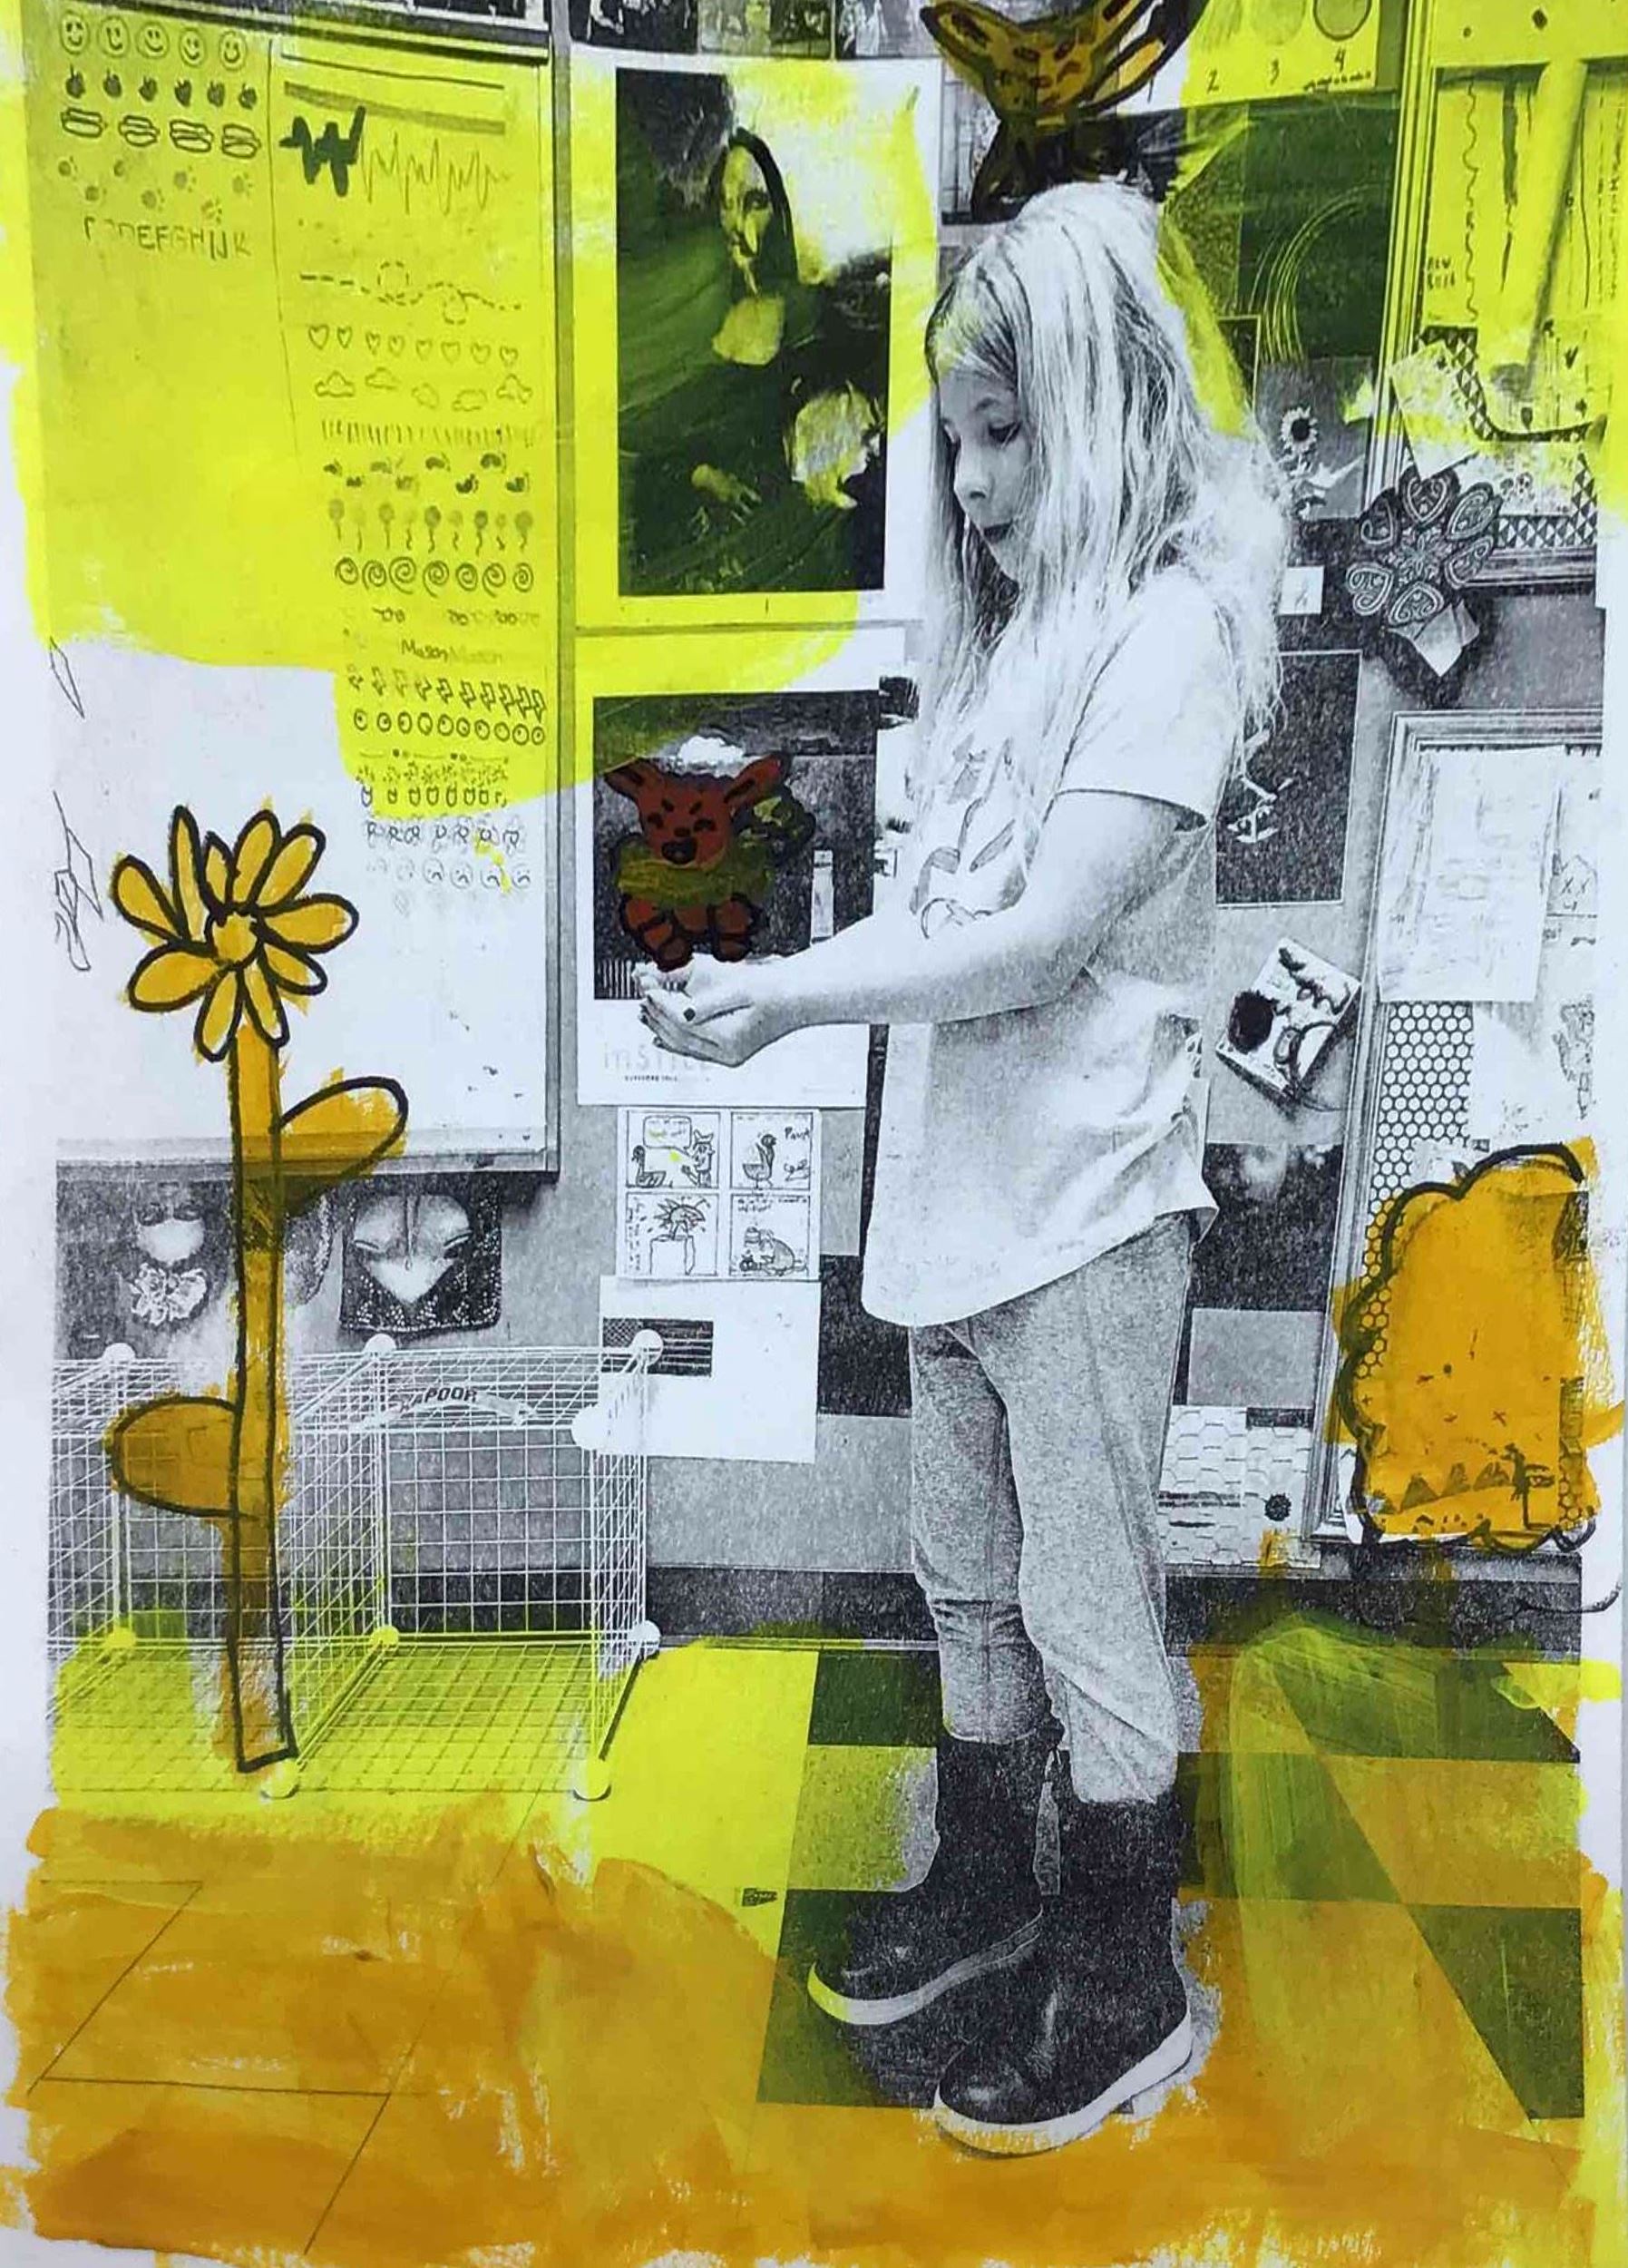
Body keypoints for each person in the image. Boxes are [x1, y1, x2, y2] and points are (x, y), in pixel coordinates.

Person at [639, 180, 1287, 2156]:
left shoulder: (1173, 635)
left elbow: (1037, 942)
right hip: (953, 1213)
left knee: (1088, 1599)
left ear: (1105, 410)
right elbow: (948, 915)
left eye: (1008, 432)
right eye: (958, 443)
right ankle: (995, 1883)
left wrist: (781, 999)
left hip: (1082, 1217)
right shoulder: (1008, 644)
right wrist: (776, 977)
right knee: (967, 1580)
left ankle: (1121, 1969)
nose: (976, 481)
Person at [623, 123, 888, 596]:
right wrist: (705, 476)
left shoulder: (814, 321)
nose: (734, 223)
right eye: (725, 203)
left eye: (754, 202)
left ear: (783, 212)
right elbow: (651, 442)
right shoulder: (705, 321)